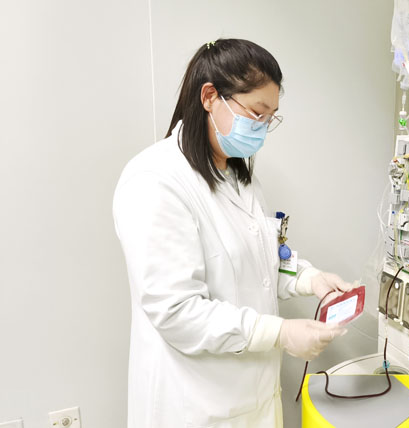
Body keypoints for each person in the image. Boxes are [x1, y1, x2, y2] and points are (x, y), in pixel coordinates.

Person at [113, 38, 353, 428]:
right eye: (256, 113)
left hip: (252, 400)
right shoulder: (155, 180)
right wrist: (279, 332)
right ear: (210, 97)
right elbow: (176, 311)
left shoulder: (238, 177)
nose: (262, 128)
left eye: (270, 118)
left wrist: (310, 279)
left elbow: (256, 264)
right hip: (195, 406)